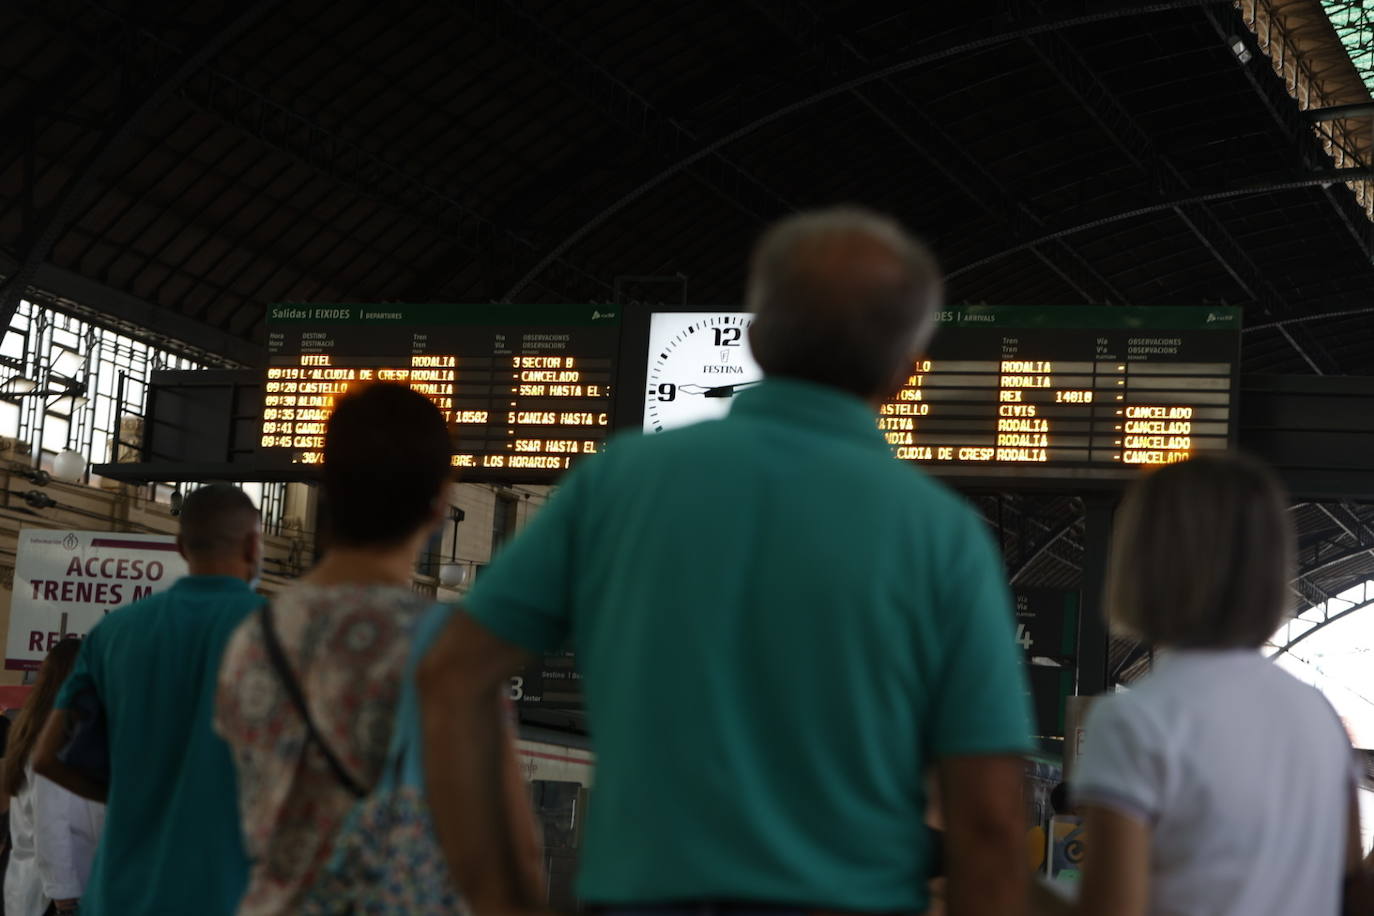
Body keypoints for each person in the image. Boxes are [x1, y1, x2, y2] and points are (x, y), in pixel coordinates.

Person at [419, 207, 1035, 915]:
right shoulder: (944, 537)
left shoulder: (618, 483)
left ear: (759, 337)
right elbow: (987, 820)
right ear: (905, 372)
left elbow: (449, 678)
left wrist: (501, 895)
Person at [1031, 453, 1360, 916]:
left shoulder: (1134, 720)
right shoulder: (1318, 716)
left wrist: (1002, 878)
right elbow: (1349, 886)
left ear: (1142, 563)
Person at [215, 383, 483, 915]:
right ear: (439, 503)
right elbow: (500, 850)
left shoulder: (254, 637)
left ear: (330, 488)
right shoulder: (450, 646)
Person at [33, 484, 264, 915]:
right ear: (253, 545)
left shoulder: (113, 631)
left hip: (120, 894)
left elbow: (48, 757)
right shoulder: (284, 632)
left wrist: (133, 795)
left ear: (180, 547)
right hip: (231, 894)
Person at [4, 640, 103, 916]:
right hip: (55, 896)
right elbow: (50, 822)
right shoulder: (54, 740)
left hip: (47, 886)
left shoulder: (40, 731)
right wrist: (65, 895)